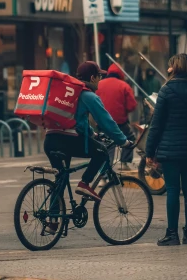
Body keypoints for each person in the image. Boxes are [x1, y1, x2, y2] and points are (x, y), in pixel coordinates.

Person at [43, 61, 134, 203]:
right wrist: (123, 141)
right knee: (102, 152)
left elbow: (78, 121)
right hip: (68, 141)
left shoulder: (68, 92)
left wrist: (92, 134)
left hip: (50, 140)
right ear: (92, 78)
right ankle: (84, 183)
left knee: (60, 178)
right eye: (99, 76)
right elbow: (107, 122)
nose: (101, 80)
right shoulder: (88, 96)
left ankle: (53, 220)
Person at [145, 53, 187, 246]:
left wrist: (149, 151)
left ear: (173, 68)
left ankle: (172, 234)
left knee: (172, 190)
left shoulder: (166, 90)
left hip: (170, 148)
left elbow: (156, 124)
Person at [97, 63, 137, 163]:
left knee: (107, 144)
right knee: (130, 138)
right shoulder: (124, 86)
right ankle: (125, 161)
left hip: (102, 122)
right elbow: (131, 106)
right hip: (120, 122)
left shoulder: (99, 84)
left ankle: (105, 170)